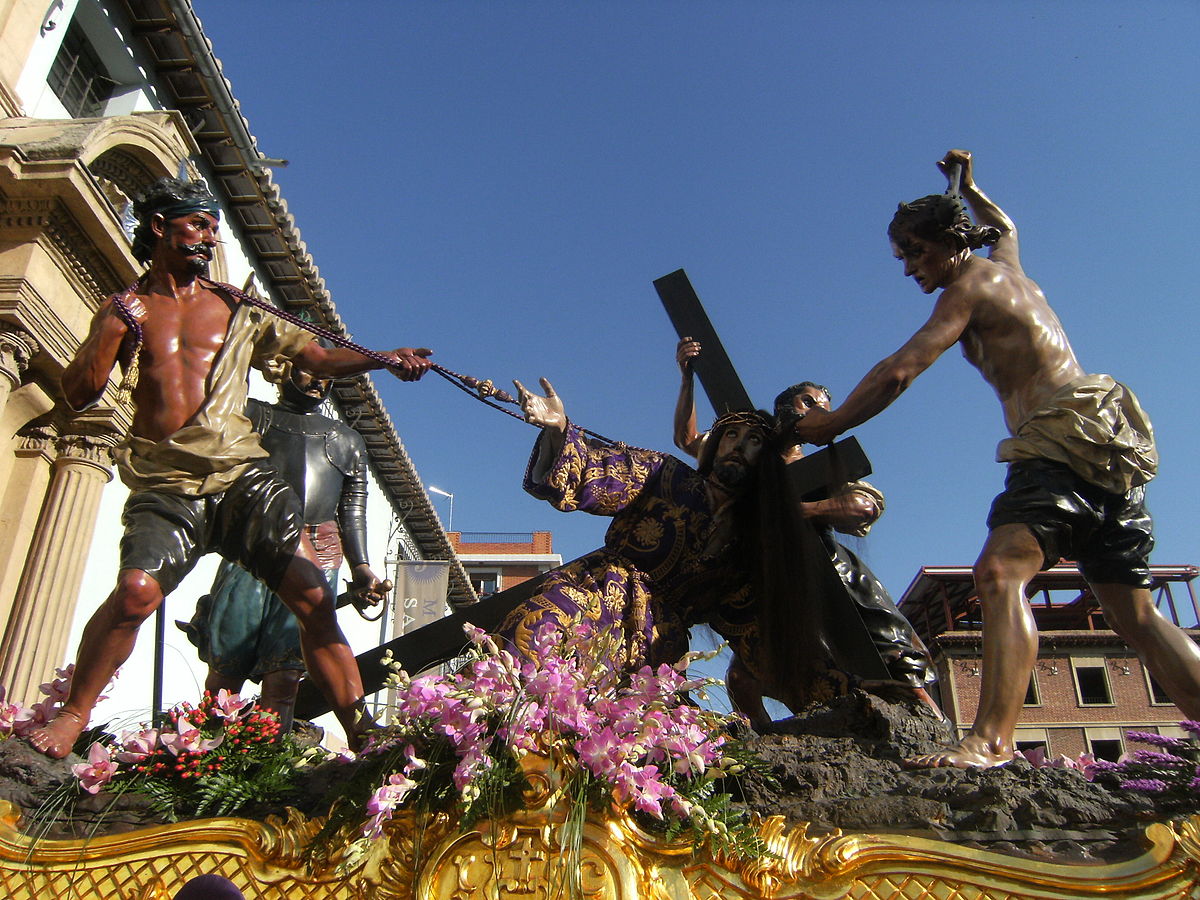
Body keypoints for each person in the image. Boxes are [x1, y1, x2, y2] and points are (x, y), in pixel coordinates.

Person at [793, 149, 1200, 767]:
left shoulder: (968, 288)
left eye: (915, 251)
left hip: (1058, 443)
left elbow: (901, 369)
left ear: (949, 242)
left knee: (1000, 574)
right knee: (1136, 615)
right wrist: (973, 187)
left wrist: (830, 423)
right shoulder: (1008, 270)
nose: (909, 267)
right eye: (901, 256)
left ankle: (990, 740)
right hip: (1109, 447)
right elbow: (1005, 228)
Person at [29, 177, 431, 759]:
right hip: (169, 480)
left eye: (214, 227)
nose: (209, 236)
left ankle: (362, 730)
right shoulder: (126, 309)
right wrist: (114, 328)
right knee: (135, 593)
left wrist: (383, 359)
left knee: (314, 599)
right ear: (159, 227)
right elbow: (78, 393)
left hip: (242, 475)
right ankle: (73, 713)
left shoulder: (237, 307)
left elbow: (316, 355)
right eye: (197, 224)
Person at [673, 340, 939, 728]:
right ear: (784, 406)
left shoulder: (822, 467)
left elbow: (864, 507)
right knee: (743, 678)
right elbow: (688, 440)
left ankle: (937, 730)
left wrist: (798, 511)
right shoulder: (749, 454)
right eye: (808, 403)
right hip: (768, 582)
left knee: (895, 659)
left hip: (830, 574)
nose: (817, 413)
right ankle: (763, 740)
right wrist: (687, 379)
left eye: (824, 409)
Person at [494, 377, 770, 671]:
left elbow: (746, 618)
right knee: (537, 629)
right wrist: (559, 428)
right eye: (732, 434)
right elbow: (601, 473)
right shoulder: (667, 475)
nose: (739, 446)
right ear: (716, 444)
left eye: (754, 440)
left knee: (650, 698)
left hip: (659, 645)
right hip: (599, 594)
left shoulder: (747, 539)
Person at [179, 364, 391, 734]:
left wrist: (361, 566)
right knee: (228, 656)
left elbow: (352, 508)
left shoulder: (347, 440)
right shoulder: (251, 415)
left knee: (287, 664)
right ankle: (206, 744)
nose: (319, 381)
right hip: (252, 542)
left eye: (327, 374)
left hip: (318, 550)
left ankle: (270, 746)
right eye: (309, 370)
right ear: (283, 370)